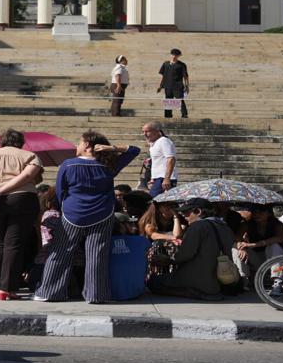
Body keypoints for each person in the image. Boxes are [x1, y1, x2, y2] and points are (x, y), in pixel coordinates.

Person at [34, 130, 140, 304]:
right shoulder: (108, 166)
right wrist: (111, 148)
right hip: (102, 213)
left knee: (60, 252)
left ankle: (50, 292)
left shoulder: (68, 165)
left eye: (79, 142)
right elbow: (134, 150)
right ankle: (96, 294)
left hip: (72, 213)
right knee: (97, 255)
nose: (77, 146)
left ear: (86, 145)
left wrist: (61, 209)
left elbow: (60, 192)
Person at [0, 128, 45, 300]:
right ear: (21, 142)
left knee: (0, 242)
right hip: (21, 200)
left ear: (2, 142)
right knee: (14, 243)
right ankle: (8, 288)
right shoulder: (30, 156)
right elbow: (27, 176)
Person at [147, 197, 240, 300]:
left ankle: (192, 293)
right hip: (222, 278)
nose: (184, 216)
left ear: (198, 211)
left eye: (186, 212)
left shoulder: (197, 227)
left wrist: (167, 260)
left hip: (200, 280)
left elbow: (184, 255)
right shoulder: (224, 226)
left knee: (153, 282)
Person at [235, 203, 283, 279]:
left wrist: (254, 244)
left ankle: (277, 279)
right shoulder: (247, 224)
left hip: (272, 258)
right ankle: (243, 279)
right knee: (236, 249)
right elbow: (237, 238)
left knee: (274, 246)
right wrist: (242, 248)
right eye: (254, 212)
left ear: (269, 213)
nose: (257, 214)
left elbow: (280, 238)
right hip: (256, 258)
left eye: (261, 212)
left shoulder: (277, 224)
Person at [28, 185, 63, 293]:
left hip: (46, 259)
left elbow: (44, 241)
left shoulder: (47, 215)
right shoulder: (57, 215)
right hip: (61, 259)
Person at [139, 197, 183, 277]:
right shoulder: (149, 221)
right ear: (158, 207)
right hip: (154, 256)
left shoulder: (176, 221)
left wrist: (176, 217)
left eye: (172, 205)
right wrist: (173, 238)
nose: (170, 208)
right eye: (166, 205)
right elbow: (153, 235)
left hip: (170, 257)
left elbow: (177, 234)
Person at [142, 122, 177, 195]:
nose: (145, 134)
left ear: (157, 131)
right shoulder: (154, 144)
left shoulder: (164, 141)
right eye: (143, 132)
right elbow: (156, 163)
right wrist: (152, 179)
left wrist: (167, 178)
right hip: (157, 178)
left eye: (148, 131)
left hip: (164, 178)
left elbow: (171, 159)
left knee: (155, 202)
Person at [157, 48, 188, 119]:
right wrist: (160, 86)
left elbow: (185, 76)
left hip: (178, 86)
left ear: (178, 56)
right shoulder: (166, 64)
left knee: (180, 100)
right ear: (170, 55)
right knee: (168, 101)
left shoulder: (181, 65)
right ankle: (168, 115)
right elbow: (162, 75)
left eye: (176, 55)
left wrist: (187, 86)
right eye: (173, 55)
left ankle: (184, 114)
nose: (174, 56)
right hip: (167, 86)